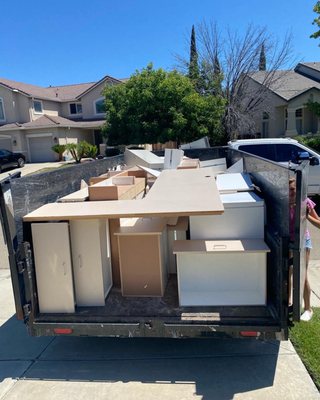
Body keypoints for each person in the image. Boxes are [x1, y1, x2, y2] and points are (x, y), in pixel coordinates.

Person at [289, 177, 318, 322]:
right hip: (288, 241)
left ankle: (308, 309)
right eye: (287, 190)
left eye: (293, 190)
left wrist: (306, 216)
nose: (290, 193)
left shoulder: (305, 202)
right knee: (287, 274)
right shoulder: (283, 202)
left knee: (302, 275)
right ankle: (288, 304)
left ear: (299, 189)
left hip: (302, 241)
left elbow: (319, 224)